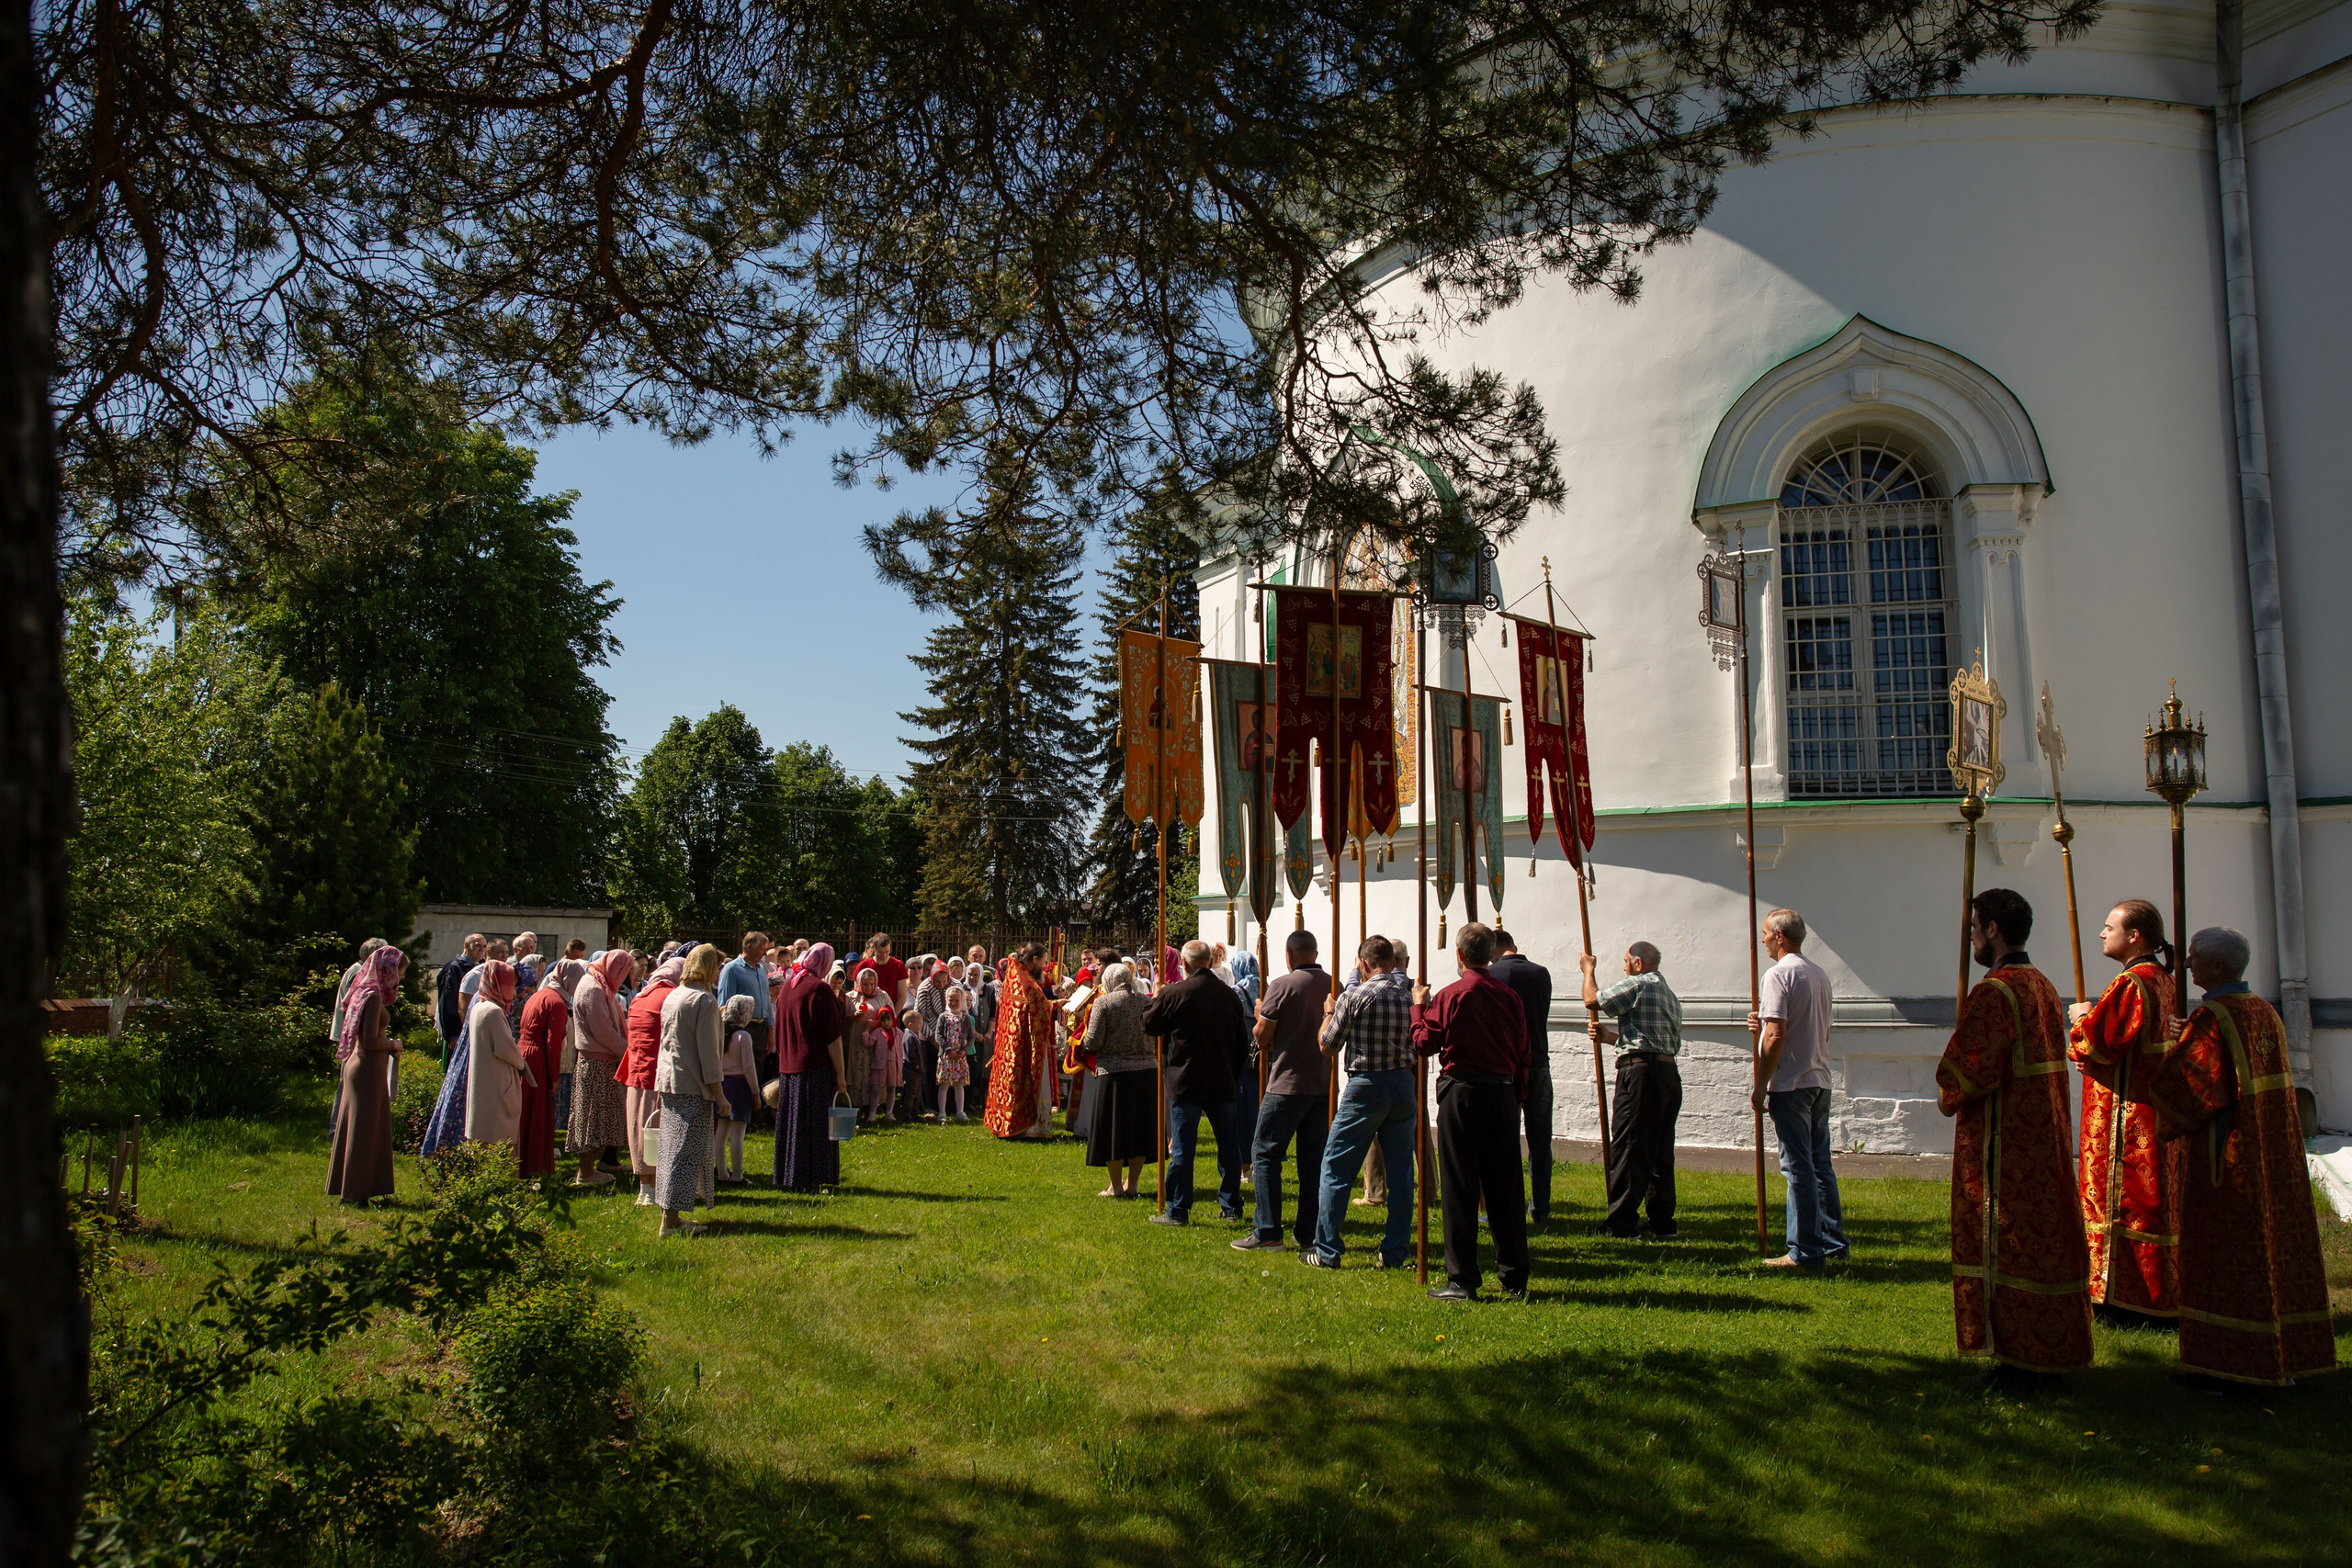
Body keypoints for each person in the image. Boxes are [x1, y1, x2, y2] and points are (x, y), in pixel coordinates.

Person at [2127, 928, 2336, 1389]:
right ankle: (2291, 1353)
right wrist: (2193, 1036)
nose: (2186, 966)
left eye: (2195, 958)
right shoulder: (2262, 1010)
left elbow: (2190, 1090)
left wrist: (2162, 1071)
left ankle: (2231, 1365)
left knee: (2223, 1255)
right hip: (2270, 1156)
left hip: (2227, 1162)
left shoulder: (2214, 1017)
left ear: (2217, 968)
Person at [1935, 888, 2094, 1387]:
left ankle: (2018, 1356)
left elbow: (1971, 1070)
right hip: (2042, 1136)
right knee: (2041, 1240)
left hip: (2002, 1143)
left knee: (2006, 1239)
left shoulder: (1994, 991)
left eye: (1975, 927)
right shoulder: (2042, 984)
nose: (1971, 937)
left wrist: (1948, 1082)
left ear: (1994, 930)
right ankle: (2050, 1348)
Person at [2064, 898, 2181, 1325]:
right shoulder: (2163, 980)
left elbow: (2098, 1042)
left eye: (2109, 926)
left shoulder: (2133, 983)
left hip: (2126, 1117)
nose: (2101, 933)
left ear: (2134, 936)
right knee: (2152, 1200)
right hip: (2150, 1109)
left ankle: (2123, 1298)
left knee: (2125, 1200)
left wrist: (2080, 1018)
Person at [1412, 922, 1531, 1302]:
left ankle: (1462, 1279)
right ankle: (1514, 1277)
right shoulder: (1509, 997)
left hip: (1462, 1092)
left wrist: (1418, 1007)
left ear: (1460, 955)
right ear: (1490, 954)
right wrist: (1517, 1098)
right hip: (1500, 1093)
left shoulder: (1450, 995)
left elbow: (1424, 1042)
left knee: (1460, 1185)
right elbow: (1522, 1052)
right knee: (1505, 1187)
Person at [1308, 935, 1417, 1269]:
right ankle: (1395, 1250)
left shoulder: (1354, 996)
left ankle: (1327, 1250)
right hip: (1402, 1084)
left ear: (1365, 964)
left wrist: (1329, 1012)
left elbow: (1327, 1045)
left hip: (1366, 1085)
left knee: (1336, 1166)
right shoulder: (1409, 995)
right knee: (1401, 1173)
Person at [1748, 909, 1840, 1266]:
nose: (1764, 939)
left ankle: (1804, 1250)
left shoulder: (1778, 974)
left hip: (1791, 1083)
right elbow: (1819, 1028)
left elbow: (1777, 1034)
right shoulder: (1818, 975)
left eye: (1767, 934)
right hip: (1819, 1078)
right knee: (1820, 1165)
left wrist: (1762, 1085)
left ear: (1781, 937)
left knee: (1797, 1166)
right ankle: (1832, 1242)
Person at [1143, 941, 1250, 1225]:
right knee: (1229, 1147)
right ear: (1208, 962)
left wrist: (1156, 997)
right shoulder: (1229, 996)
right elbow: (1243, 1042)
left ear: (1186, 965)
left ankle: (1178, 1209)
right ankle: (1231, 1205)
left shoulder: (1175, 993)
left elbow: (1149, 1025)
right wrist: (1233, 1072)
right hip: (1221, 1080)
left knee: (1182, 1148)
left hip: (1185, 1080)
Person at [1236, 930, 1330, 1252]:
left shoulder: (1283, 985)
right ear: (1314, 953)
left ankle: (1267, 1230)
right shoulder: (1334, 985)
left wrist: (1263, 1009)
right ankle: (1307, 1233)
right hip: (1320, 1083)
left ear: (1289, 956)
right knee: (1312, 1160)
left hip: (1287, 1083)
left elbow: (1262, 1037)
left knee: (1264, 1153)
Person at [1584, 939, 1683, 1238]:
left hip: (1640, 1076)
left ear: (1638, 963)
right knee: (1659, 1152)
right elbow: (1649, 1039)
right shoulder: (1668, 994)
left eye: (1627, 962)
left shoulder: (1638, 984)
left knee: (1630, 1146)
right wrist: (1611, 1038)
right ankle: (1662, 1222)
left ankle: (1622, 1223)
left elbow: (1593, 1000)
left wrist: (1588, 970)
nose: (1625, 968)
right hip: (1666, 1073)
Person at [654, 943, 727, 1237]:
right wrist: (720, 1094)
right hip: (693, 1085)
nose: (719, 973)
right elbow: (709, 1054)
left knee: (670, 1150)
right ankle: (670, 1223)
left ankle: (668, 1215)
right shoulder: (704, 1000)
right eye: (717, 967)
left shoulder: (675, 995)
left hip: (669, 1081)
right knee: (684, 1153)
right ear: (708, 968)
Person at [326, 944, 406, 1203]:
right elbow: (370, 1040)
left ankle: (353, 1187)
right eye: (398, 972)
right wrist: (393, 1044)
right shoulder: (373, 997)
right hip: (367, 1066)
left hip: (359, 1064)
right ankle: (356, 1192)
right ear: (387, 969)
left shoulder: (363, 990)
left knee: (358, 1127)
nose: (399, 978)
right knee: (364, 1129)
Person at [1491, 931, 1557, 1224]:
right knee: (1540, 1140)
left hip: (1508, 1066)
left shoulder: (1492, 975)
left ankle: (1511, 1203)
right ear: (1514, 947)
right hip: (1538, 1061)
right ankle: (1540, 1205)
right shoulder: (1540, 973)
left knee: (1505, 1139)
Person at [773, 942, 847, 1190]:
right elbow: (833, 1037)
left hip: (789, 1067)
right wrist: (841, 1074)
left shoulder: (788, 987)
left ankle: (792, 1175)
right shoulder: (820, 989)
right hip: (814, 1066)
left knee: (794, 1124)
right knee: (816, 1127)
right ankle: (817, 1176)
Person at [1080, 963, 1156, 1198]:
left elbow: (1092, 1041)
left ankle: (1115, 1186)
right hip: (1145, 1072)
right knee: (1139, 1130)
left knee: (1113, 1131)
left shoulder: (1105, 1002)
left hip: (1113, 1074)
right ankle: (1132, 1184)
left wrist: (1081, 1041)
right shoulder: (1146, 1002)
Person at [569, 950, 635, 1187]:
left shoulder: (598, 985)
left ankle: (591, 1169)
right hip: (596, 1064)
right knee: (591, 1120)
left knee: (598, 1119)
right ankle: (585, 1173)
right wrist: (628, 1052)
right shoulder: (593, 989)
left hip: (601, 1063)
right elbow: (603, 1031)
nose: (626, 978)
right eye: (625, 972)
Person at [623, 953, 684, 1202]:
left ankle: (643, 1187)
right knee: (657, 1130)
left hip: (636, 1069)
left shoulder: (641, 995)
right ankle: (657, 1188)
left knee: (638, 1129)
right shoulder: (669, 996)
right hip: (658, 1072)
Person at [982, 943, 1058, 1140]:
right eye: (1043, 961)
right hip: (1022, 1043)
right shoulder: (1025, 980)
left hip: (1013, 1040)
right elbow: (1038, 1007)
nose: (1045, 965)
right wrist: (1056, 1004)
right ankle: (1030, 1128)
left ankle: (1008, 1124)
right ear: (1034, 960)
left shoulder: (1016, 973)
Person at [514, 959, 578, 1179]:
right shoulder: (557, 1003)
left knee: (525, 1112)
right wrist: (554, 1077)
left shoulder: (538, 995)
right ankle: (535, 1166)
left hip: (525, 1054)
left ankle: (521, 1164)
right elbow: (552, 1044)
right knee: (539, 1115)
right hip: (539, 1059)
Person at [464, 959, 531, 1150]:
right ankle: (501, 1179)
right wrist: (522, 1063)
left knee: (482, 1131)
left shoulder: (479, 1006)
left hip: (483, 1081)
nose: (512, 990)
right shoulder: (493, 1011)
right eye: (510, 985)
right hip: (496, 1082)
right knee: (498, 1137)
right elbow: (506, 1048)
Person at [326, 937, 390, 1131]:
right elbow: (356, 1010)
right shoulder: (358, 973)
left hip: (354, 1035)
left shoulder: (359, 971)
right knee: (347, 1084)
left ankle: (341, 1128)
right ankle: (337, 1128)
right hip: (355, 1037)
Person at [715, 994, 759, 1184]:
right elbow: (749, 1068)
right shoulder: (743, 1036)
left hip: (722, 1084)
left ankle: (722, 1173)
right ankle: (738, 1175)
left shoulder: (719, 1034)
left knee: (721, 1132)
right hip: (740, 1085)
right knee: (737, 1134)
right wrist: (756, 1092)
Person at [719, 932, 775, 1072]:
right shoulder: (732, 969)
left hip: (761, 1029)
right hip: (742, 1028)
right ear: (749, 947)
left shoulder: (762, 969)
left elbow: (766, 1000)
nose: (764, 953)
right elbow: (725, 1003)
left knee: (759, 1070)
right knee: (743, 1070)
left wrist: (769, 1030)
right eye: (762, 949)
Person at [436, 933, 484, 1061]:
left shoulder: (479, 967)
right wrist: (452, 1035)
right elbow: (447, 1001)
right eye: (477, 945)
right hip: (457, 1030)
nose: (481, 949)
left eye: (484, 946)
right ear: (466, 945)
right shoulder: (454, 967)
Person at [937, 984, 976, 1123]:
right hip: (947, 1056)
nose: (953, 1003)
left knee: (959, 1084)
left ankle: (960, 1111)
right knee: (944, 1083)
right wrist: (948, 1049)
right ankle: (942, 1112)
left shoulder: (965, 1018)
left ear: (962, 1001)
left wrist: (965, 1050)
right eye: (950, 1000)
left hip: (960, 1056)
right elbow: (939, 1035)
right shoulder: (943, 1017)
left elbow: (971, 1036)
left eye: (956, 1000)